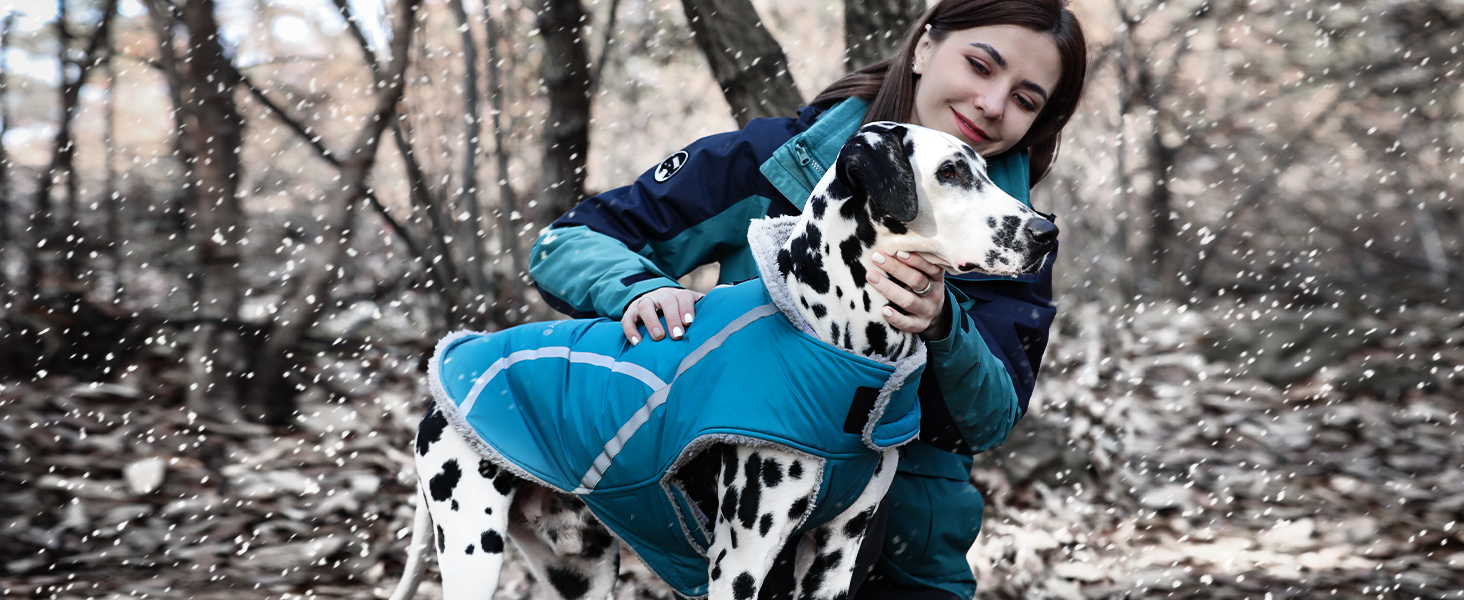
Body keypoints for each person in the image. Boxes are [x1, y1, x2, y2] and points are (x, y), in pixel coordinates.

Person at [528, 0, 1088, 597]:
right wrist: (637, 289)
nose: (993, 103)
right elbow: (568, 242)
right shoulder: (775, 163)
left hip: (905, 548)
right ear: (924, 47)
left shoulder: (1016, 237)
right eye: (981, 66)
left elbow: (990, 418)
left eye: (1026, 99)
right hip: (749, 520)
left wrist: (944, 325)